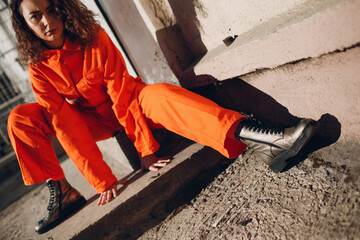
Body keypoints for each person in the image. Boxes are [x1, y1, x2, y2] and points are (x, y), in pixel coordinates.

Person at [7, 0, 318, 234]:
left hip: (130, 100)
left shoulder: (93, 36)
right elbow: (65, 122)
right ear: (24, 23)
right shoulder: (38, 67)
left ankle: (263, 139)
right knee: (20, 117)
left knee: (162, 95)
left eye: (51, 9)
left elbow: (120, 92)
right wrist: (102, 180)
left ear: (62, 8)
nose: (47, 21)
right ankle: (62, 191)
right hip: (90, 123)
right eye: (36, 16)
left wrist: (145, 147)